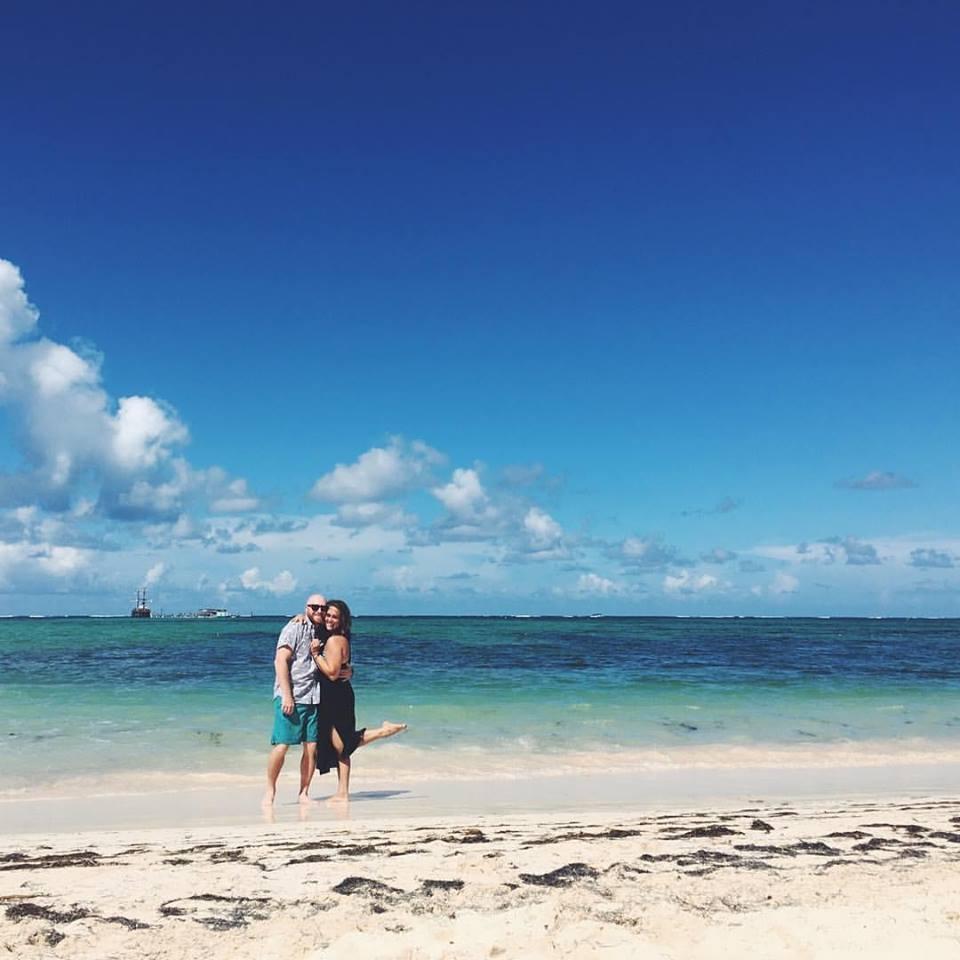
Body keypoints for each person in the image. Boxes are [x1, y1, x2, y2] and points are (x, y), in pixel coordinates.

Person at [310, 599, 407, 803]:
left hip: (336, 697)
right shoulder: (337, 637)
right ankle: (343, 791)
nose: (329, 619)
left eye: (334, 617)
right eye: (328, 615)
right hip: (334, 695)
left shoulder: (335, 640)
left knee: (342, 745)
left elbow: (332, 673)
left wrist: (316, 655)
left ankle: (343, 792)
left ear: (342, 620)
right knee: (341, 745)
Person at [262, 593, 327, 806]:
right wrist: (287, 695)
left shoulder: (322, 630)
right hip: (292, 696)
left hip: (313, 697)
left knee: (311, 748)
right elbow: (280, 661)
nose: (319, 611)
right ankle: (270, 790)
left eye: (323, 608)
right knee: (282, 745)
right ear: (306, 607)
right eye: (314, 607)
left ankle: (304, 793)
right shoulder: (294, 627)